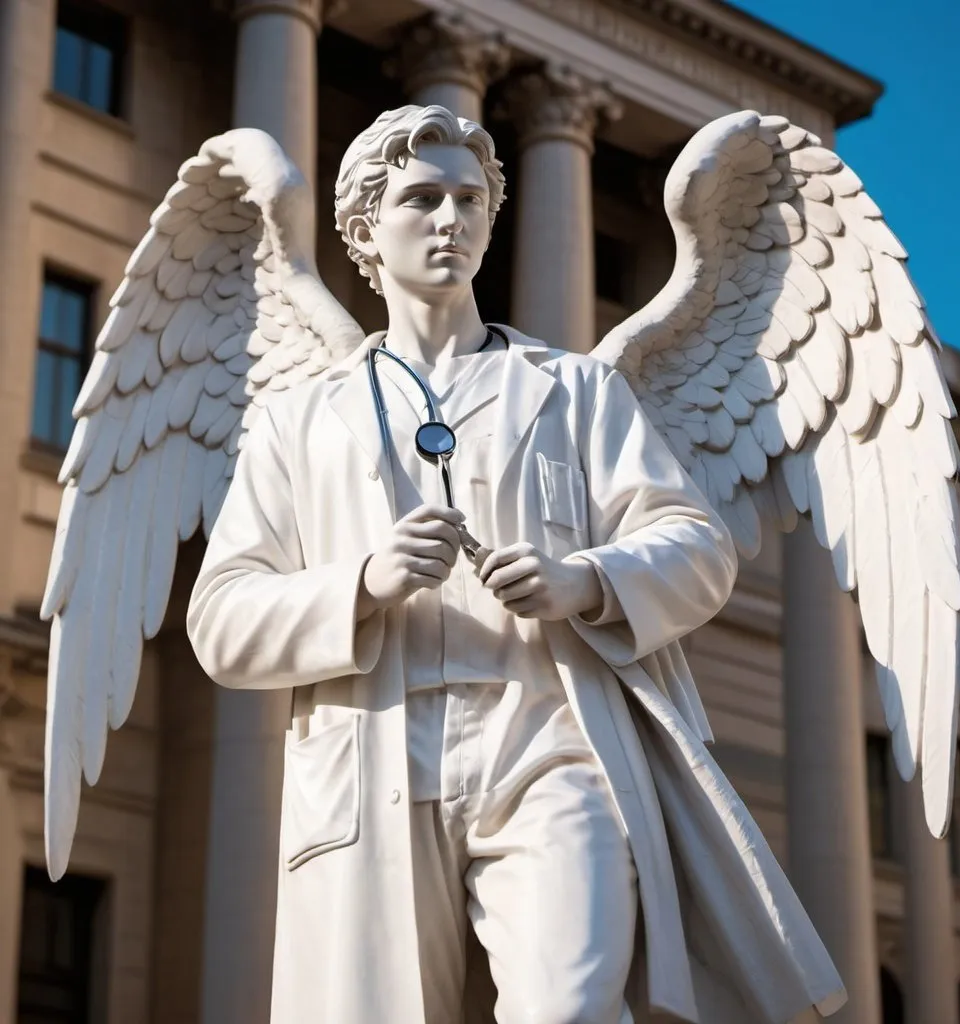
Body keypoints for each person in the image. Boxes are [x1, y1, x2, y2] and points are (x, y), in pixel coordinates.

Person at [187, 106, 842, 1024]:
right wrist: (363, 585)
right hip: (375, 751)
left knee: (572, 1010)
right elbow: (221, 620)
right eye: (422, 197)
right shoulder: (299, 420)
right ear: (367, 227)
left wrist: (589, 580)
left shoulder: (576, 389)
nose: (451, 218)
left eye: (470, 198)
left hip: (548, 740)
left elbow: (694, 543)